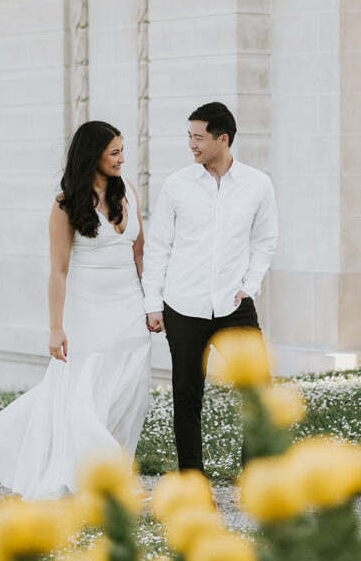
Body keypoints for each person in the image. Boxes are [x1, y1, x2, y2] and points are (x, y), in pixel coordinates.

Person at [0, 121, 152, 500]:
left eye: (122, 150)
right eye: (114, 152)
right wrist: (55, 327)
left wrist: (152, 304)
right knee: (86, 397)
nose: (122, 158)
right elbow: (59, 270)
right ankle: (100, 478)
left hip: (130, 309)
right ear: (92, 156)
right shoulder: (65, 204)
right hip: (88, 313)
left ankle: (111, 473)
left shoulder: (129, 193)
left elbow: (140, 254)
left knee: (129, 392)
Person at [142, 101, 278, 473]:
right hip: (183, 306)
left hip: (235, 306)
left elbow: (265, 240)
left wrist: (250, 285)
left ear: (223, 138)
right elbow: (158, 248)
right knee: (187, 399)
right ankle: (193, 483)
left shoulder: (257, 184)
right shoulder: (177, 185)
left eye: (198, 137)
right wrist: (153, 303)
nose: (192, 145)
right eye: (189, 137)